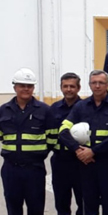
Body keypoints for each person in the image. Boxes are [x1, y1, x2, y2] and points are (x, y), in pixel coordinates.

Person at [58, 70, 108, 215]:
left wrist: (93, 151)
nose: (97, 86)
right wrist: (77, 149)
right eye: (94, 83)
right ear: (89, 85)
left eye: (101, 83)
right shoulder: (81, 106)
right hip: (86, 165)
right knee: (89, 207)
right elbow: (63, 130)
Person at [0, 68, 53, 215]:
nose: (25, 88)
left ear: (33, 88)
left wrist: (38, 152)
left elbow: (52, 137)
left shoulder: (44, 110)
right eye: (22, 85)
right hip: (11, 169)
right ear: (14, 87)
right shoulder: (4, 110)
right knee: (13, 208)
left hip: (34, 169)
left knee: (36, 209)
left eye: (29, 86)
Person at [49, 72, 85, 215]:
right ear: (61, 87)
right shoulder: (54, 108)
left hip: (80, 162)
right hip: (60, 161)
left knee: (83, 201)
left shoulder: (85, 107)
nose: (69, 89)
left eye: (72, 86)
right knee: (61, 202)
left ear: (78, 88)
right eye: (65, 86)